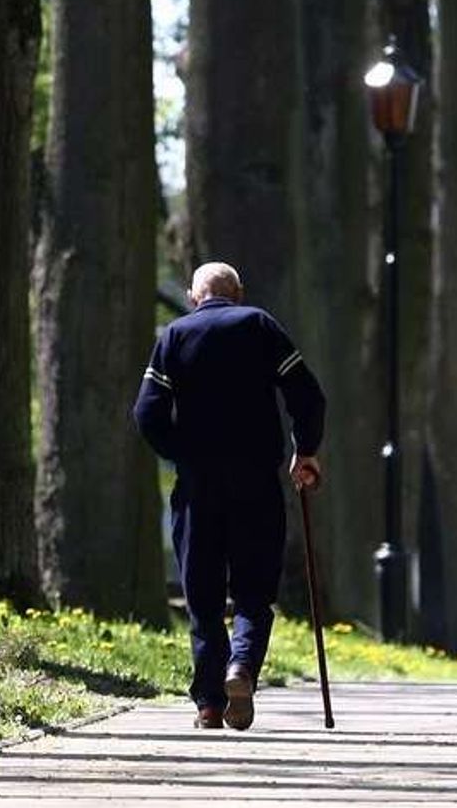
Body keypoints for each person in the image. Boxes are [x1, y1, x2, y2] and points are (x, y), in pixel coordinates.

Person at [132, 262, 325, 730]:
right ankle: (241, 666)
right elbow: (307, 395)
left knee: (202, 593)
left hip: (198, 486)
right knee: (254, 590)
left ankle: (210, 703)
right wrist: (306, 452)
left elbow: (147, 412)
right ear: (237, 293)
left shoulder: (174, 335)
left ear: (195, 297)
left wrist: (184, 454)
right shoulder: (258, 324)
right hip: (257, 479)